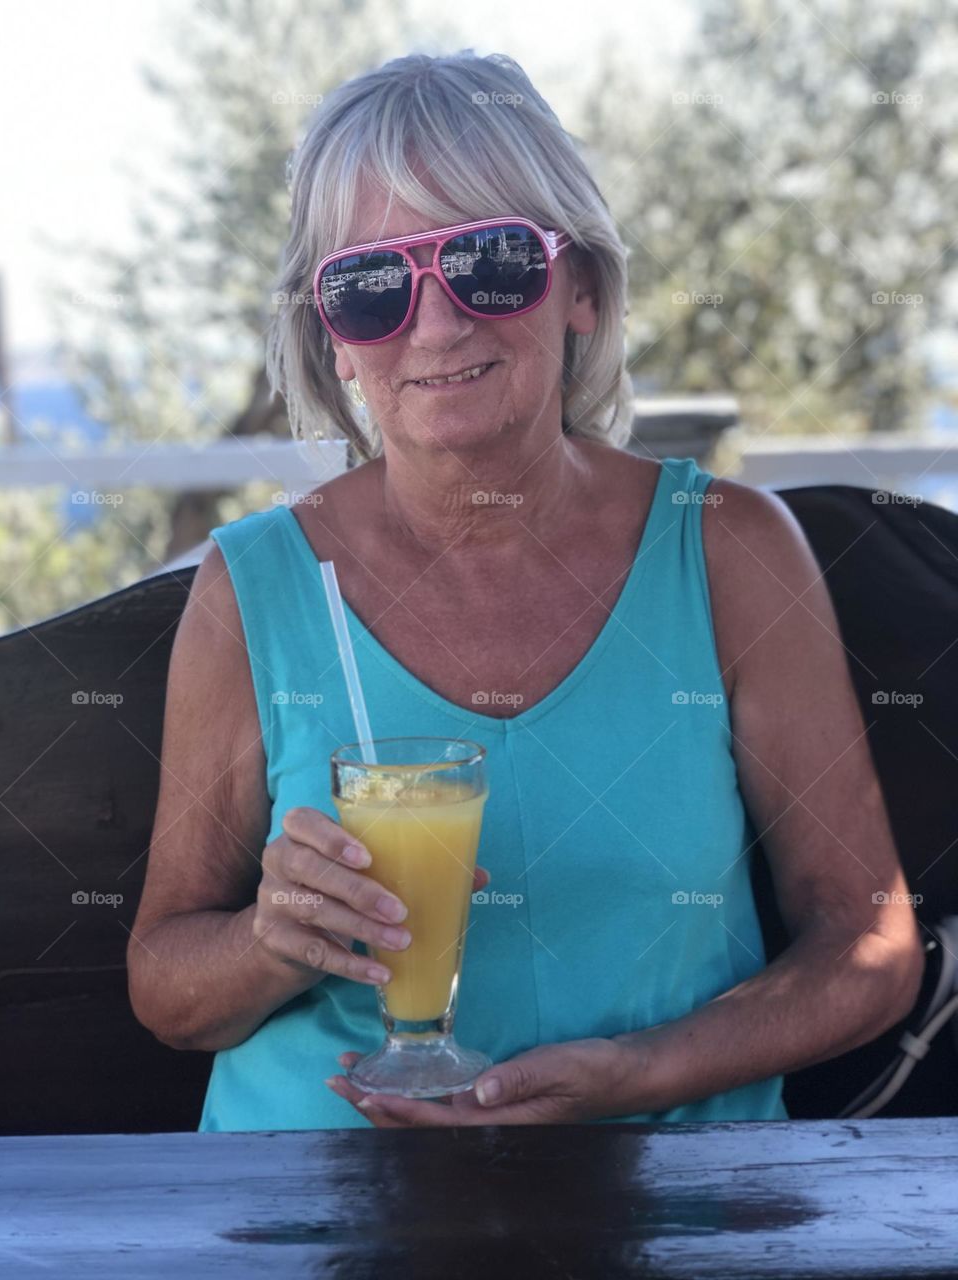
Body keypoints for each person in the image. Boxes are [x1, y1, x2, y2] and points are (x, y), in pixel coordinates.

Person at [127, 49, 924, 1132]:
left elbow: (869, 948)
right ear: (335, 340)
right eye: (373, 286)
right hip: (322, 1208)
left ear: (582, 288)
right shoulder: (259, 584)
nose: (439, 322)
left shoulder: (727, 551)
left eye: (490, 262)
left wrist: (642, 1071)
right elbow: (168, 986)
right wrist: (273, 936)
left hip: (668, 1205)